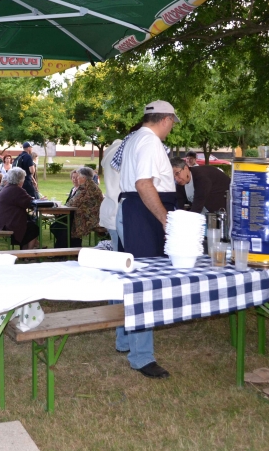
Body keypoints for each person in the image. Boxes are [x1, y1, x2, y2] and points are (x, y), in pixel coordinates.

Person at [116, 100, 180, 379]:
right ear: (166, 120)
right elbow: (144, 184)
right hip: (143, 213)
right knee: (145, 284)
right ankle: (142, 356)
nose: (171, 129)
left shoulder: (133, 138)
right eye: (172, 124)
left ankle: (125, 340)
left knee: (129, 280)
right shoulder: (151, 141)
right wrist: (165, 219)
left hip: (132, 210)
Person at [53, 167, 104, 247]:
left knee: (62, 226)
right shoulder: (91, 185)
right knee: (59, 225)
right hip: (91, 216)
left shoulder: (85, 187)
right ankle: (68, 247)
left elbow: (73, 202)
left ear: (83, 178)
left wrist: (58, 207)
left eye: (78, 176)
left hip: (89, 219)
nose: (77, 178)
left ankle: (63, 249)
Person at [0, 167, 39, 250]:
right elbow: (30, 203)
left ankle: (26, 251)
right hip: (8, 225)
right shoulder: (17, 190)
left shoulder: (7, 187)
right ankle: (28, 253)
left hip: (0, 222)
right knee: (34, 228)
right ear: (20, 179)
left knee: (29, 225)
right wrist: (39, 200)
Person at [99, 139, 123, 250]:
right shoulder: (122, 152)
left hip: (111, 207)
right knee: (121, 253)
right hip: (117, 209)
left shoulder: (111, 153)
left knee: (118, 249)